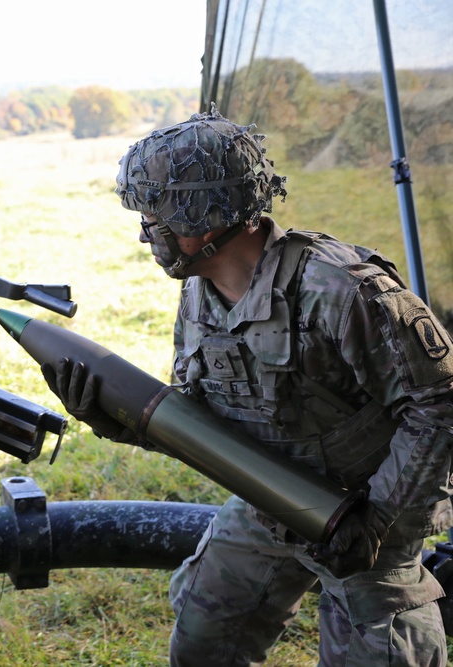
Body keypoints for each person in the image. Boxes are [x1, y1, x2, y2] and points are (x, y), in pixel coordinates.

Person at [42, 108, 453, 666]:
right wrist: (119, 422)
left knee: (384, 650)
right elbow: (209, 418)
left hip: (366, 512)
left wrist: (382, 522)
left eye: (154, 218)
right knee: (203, 638)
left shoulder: (341, 290)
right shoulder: (200, 293)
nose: (144, 235)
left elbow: (437, 405)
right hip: (268, 501)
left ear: (202, 218)